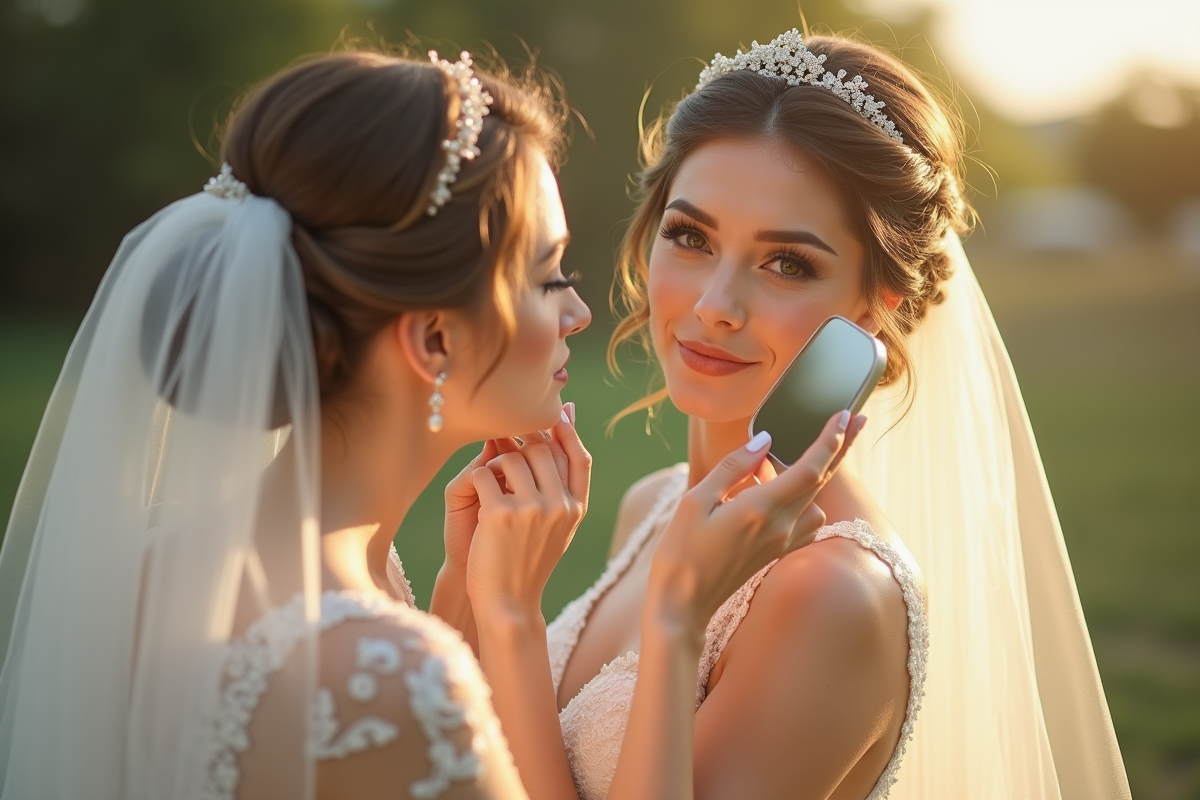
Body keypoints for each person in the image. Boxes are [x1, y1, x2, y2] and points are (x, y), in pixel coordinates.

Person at [435, 29, 1133, 800]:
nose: (714, 306)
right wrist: (470, 596)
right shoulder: (653, 506)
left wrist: (545, 622)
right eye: (691, 237)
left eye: (787, 263)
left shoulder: (833, 593)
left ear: (873, 308)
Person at [0, 47, 598, 800]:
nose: (576, 313)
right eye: (551, 278)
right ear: (435, 340)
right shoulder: (390, 677)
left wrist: (462, 599)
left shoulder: (153, 568)